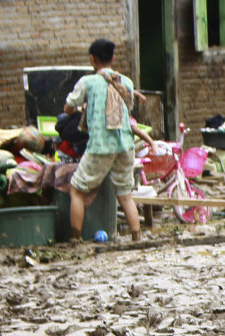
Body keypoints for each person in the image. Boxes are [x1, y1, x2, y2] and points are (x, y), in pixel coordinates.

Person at [64, 38, 142, 242]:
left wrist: (79, 108)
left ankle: (76, 238)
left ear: (92, 59)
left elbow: (68, 108)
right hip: (125, 144)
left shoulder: (87, 82)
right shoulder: (126, 82)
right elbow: (128, 108)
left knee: (77, 190)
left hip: (101, 145)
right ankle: (137, 238)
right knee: (125, 195)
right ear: (113, 58)